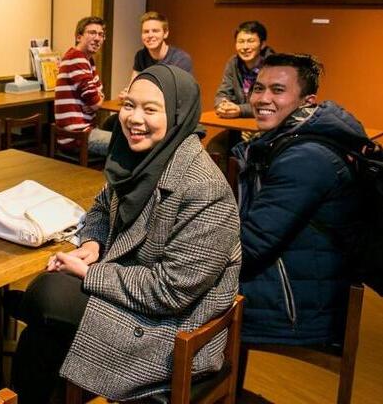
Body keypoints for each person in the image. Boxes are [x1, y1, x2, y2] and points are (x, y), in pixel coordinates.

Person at [12, 65, 241, 403]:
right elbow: (102, 207)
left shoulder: (205, 189)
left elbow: (171, 292)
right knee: (40, 329)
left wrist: (91, 272)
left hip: (173, 326)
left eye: (150, 109)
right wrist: (92, 241)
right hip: (135, 290)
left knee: (45, 296)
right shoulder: (139, 159)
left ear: (179, 115)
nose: (134, 118)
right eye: (129, 105)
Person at [235, 54, 366, 347]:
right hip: (297, 285)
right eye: (258, 88)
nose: (263, 98)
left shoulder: (306, 158)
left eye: (278, 90)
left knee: (180, 300)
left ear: (308, 101)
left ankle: (183, 390)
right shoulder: (288, 143)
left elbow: (250, 245)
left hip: (298, 309)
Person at [54, 16, 111, 156]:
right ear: (79, 37)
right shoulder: (76, 57)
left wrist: (97, 98)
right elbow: (95, 102)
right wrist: (96, 100)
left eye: (101, 34)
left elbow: (98, 94)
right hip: (77, 137)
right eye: (92, 33)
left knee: (117, 124)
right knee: (129, 145)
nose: (97, 38)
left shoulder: (88, 60)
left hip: (85, 131)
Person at [214, 20, 273, 119]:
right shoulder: (233, 63)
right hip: (239, 126)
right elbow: (223, 93)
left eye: (250, 41)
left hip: (268, 126)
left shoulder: (274, 65)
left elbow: (270, 104)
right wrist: (223, 105)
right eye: (241, 42)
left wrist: (241, 110)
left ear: (262, 44)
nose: (245, 47)